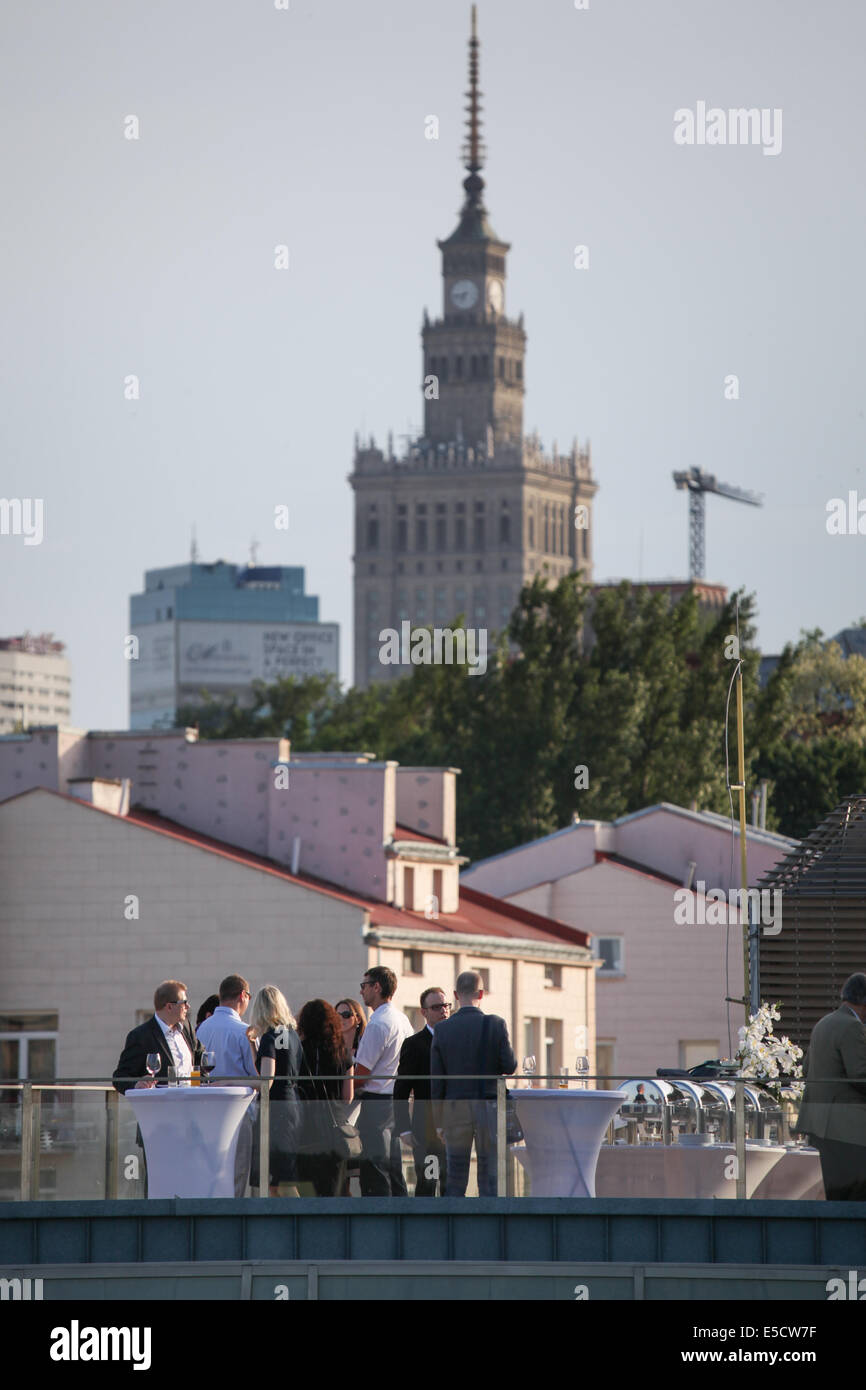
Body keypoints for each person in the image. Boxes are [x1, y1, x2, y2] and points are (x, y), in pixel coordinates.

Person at [430, 970, 516, 1197]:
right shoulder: (496, 1025)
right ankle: (491, 1225)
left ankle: (454, 1225)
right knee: (489, 1176)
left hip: (454, 1109)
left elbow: (437, 1080)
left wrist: (438, 1120)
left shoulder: (442, 1029)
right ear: (481, 993)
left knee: (456, 1175)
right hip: (489, 1107)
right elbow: (510, 1065)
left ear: (456, 995)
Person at [795, 973, 866, 1200]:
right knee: (855, 1198)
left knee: (833, 1196)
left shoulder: (823, 1023)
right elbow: (860, 1075)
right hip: (847, 1128)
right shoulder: (852, 1026)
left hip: (818, 1125)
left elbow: (806, 1069)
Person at [354, 966, 414, 1195]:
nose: (361, 992)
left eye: (364, 985)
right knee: (394, 1168)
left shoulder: (378, 1023)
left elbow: (362, 1074)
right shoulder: (402, 1019)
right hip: (396, 1101)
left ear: (376, 987)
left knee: (375, 1168)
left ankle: (379, 1222)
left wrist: (342, 1092)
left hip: (376, 1103)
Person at [196, 973, 257, 1196]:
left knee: (207, 1175)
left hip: (203, 1110)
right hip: (238, 1113)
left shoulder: (200, 1030)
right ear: (243, 995)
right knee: (237, 1176)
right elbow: (258, 1078)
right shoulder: (245, 1031)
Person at [248, 984, 303, 1196]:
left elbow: (266, 1080)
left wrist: (227, 1083)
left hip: (277, 1110)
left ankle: (302, 1224)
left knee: (281, 1179)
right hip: (292, 1104)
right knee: (280, 1179)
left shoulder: (271, 1036)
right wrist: (253, 1045)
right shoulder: (291, 1034)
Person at [395, 986, 451, 1196]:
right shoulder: (414, 1044)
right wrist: (404, 1129)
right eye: (436, 1007)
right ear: (424, 1012)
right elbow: (401, 1089)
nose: (443, 1011)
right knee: (428, 1182)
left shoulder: (456, 1040)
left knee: (451, 1186)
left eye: (446, 1006)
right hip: (426, 1130)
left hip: (454, 1126)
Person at [296, 999, 354, 1196]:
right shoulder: (342, 1052)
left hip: (306, 1127)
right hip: (335, 1128)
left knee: (307, 1193)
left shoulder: (299, 1051)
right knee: (334, 1192)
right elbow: (348, 1096)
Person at [113, 980, 201, 1091]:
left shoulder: (186, 1028)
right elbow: (120, 1077)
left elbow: (200, 1059)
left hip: (193, 1102)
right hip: (162, 1105)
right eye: (184, 1002)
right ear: (169, 1007)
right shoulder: (141, 1036)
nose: (188, 1006)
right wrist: (137, 1084)